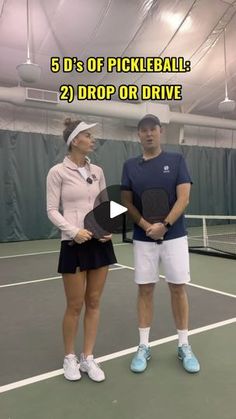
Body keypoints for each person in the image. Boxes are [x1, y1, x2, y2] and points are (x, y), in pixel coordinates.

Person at [121, 114, 200, 374]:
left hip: (174, 237)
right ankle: (143, 346)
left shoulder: (177, 160)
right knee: (145, 290)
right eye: (143, 130)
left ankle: (184, 345)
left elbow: (183, 198)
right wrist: (146, 227)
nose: (148, 134)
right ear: (138, 135)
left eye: (152, 129)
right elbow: (127, 202)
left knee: (178, 288)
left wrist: (164, 226)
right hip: (143, 239)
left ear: (160, 131)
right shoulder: (130, 166)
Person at [46, 118, 117, 382]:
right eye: (88, 135)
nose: (93, 139)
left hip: (100, 243)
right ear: (75, 141)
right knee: (75, 305)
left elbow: (104, 204)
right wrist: (74, 231)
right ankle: (70, 358)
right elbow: (51, 210)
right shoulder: (57, 172)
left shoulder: (97, 170)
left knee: (94, 302)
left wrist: (107, 226)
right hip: (73, 244)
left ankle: (88, 357)